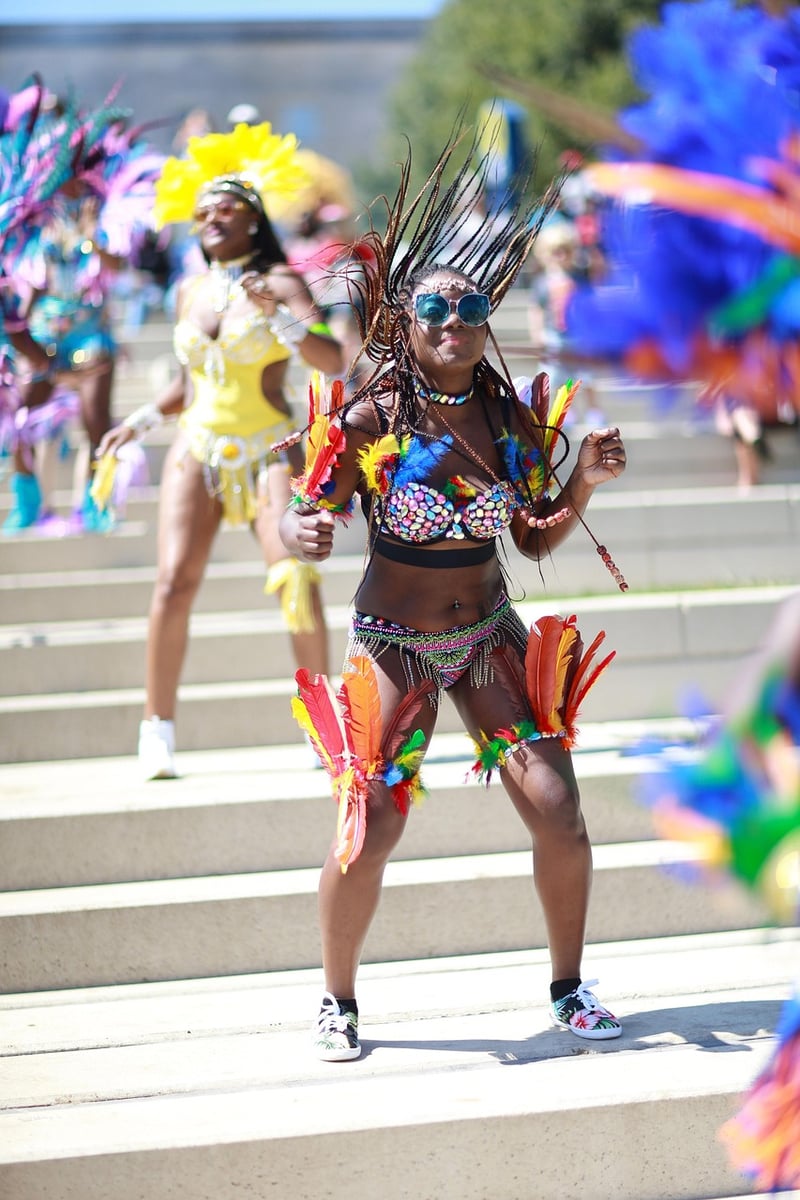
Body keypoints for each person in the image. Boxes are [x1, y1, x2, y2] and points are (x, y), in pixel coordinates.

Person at [278, 131, 629, 1061]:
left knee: (557, 806)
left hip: (487, 638)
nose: (452, 322)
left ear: (486, 323)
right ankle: (337, 1001)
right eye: (432, 306)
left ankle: (568, 985)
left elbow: (532, 535)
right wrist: (300, 533)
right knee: (373, 820)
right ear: (404, 317)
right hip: (392, 640)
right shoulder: (370, 418)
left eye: (469, 308)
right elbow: (305, 513)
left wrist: (581, 486)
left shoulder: (513, 426)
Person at [96, 121, 344, 780]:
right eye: (201, 211)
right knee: (173, 583)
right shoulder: (189, 290)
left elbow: (333, 357)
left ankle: (321, 721)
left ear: (254, 218)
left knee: (295, 580)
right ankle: (158, 729)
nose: (210, 217)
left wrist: (281, 316)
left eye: (225, 207)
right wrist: (141, 419)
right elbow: (187, 380)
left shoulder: (282, 281)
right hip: (197, 448)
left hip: (269, 448)